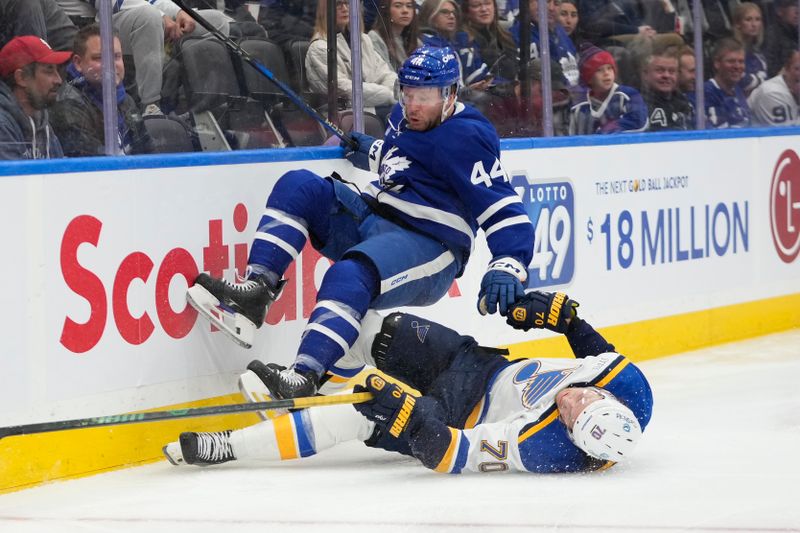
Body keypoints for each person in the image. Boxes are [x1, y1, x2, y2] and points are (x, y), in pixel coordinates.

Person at [186, 45, 534, 401]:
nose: (413, 105)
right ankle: (257, 292)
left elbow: (504, 208)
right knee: (300, 187)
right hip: (375, 217)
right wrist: (370, 150)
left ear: (451, 94)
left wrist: (509, 263)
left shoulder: (468, 137)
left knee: (349, 274)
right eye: (408, 93)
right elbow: (407, 161)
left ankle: (303, 377)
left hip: (430, 242)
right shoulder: (404, 115)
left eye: (425, 97)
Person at [164, 290, 654, 473]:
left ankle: (226, 445)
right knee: (378, 326)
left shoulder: (546, 450)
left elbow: (453, 454)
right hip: (478, 363)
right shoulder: (632, 386)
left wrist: (413, 417)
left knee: (355, 419)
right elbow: (596, 354)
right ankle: (298, 385)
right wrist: (567, 322)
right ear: (608, 398)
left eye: (570, 414)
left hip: (458, 415)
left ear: (571, 435)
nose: (570, 399)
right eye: (584, 399)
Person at [50, 24, 153, 157]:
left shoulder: (125, 99)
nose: (110, 64)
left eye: (116, 56)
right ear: (78, 63)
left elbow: (149, 154)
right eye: (99, 58)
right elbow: (94, 167)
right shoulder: (68, 106)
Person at [305, 0, 397, 114]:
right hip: (343, 115)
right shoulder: (319, 47)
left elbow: (384, 73)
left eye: (347, 3)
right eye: (338, 4)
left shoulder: (363, 39)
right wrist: (388, 95)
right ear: (326, 11)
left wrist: (394, 92)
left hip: (373, 105)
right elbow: (344, 89)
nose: (345, 8)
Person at [0, 35, 70, 159]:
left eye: (57, 70)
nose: (58, 80)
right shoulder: (3, 126)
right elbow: (14, 178)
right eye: (49, 70)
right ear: (21, 78)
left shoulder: (42, 122)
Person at [569, 44, 648, 134]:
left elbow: (639, 121)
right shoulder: (579, 107)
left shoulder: (629, 95)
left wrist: (608, 130)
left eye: (609, 68)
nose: (606, 73)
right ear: (589, 78)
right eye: (599, 70)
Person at [509, 0, 579, 88]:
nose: (551, 8)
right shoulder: (516, 36)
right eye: (545, 2)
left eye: (556, 3)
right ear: (528, 3)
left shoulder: (561, 33)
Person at [698, 37, 751, 129]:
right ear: (717, 63)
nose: (737, 66)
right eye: (731, 61)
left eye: (741, 61)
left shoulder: (738, 91)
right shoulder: (706, 93)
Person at [640, 46, 693, 131]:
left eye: (671, 71)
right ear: (645, 74)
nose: (666, 75)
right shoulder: (636, 104)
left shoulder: (685, 103)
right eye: (660, 70)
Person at [747, 49, 800, 126]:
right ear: (786, 70)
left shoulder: (793, 89)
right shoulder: (773, 93)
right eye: (797, 69)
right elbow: (786, 135)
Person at [368, 0, 422, 71]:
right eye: (398, 6)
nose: (405, 11)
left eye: (409, 6)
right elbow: (384, 73)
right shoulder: (375, 38)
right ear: (386, 11)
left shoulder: (416, 41)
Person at [731, 2, 767, 97]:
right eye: (748, 19)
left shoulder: (758, 53)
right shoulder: (731, 50)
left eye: (757, 19)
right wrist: (759, 80)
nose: (754, 24)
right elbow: (744, 82)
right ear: (738, 24)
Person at [763, 0, 799, 77]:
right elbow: (770, 70)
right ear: (779, 11)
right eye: (792, 5)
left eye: (798, 5)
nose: (797, 11)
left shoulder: (795, 33)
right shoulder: (772, 34)